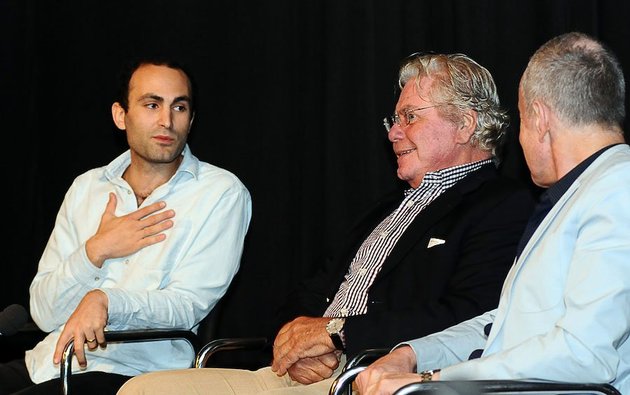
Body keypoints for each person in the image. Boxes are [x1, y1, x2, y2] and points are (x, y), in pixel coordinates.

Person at [116, 52, 535, 394]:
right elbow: (309, 292)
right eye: (394, 121)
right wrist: (293, 341)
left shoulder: (503, 206)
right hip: (298, 375)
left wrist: (339, 335)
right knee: (141, 390)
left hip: (375, 378)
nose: (393, 134)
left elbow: (472, 316)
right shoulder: (384, 209)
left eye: (410, 117)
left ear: (465, 125)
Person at [356, 31, 630, 395]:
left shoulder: (617, 189)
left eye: (520, 118)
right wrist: (411, 354)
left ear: (539, 117)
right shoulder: (580, 193)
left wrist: (430, 382)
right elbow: (502, 325)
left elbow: (584, 353)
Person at [0, 58, 252, 395]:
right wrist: (97, 250)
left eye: (179, 107)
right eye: (152, 104)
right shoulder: (87, 187)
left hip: (137, 375)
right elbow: (44, 313)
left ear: (190, 120)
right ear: (121, 116)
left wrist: (107, 300)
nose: (166, 121)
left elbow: (187, 305)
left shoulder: (220, 192)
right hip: (47, 364)